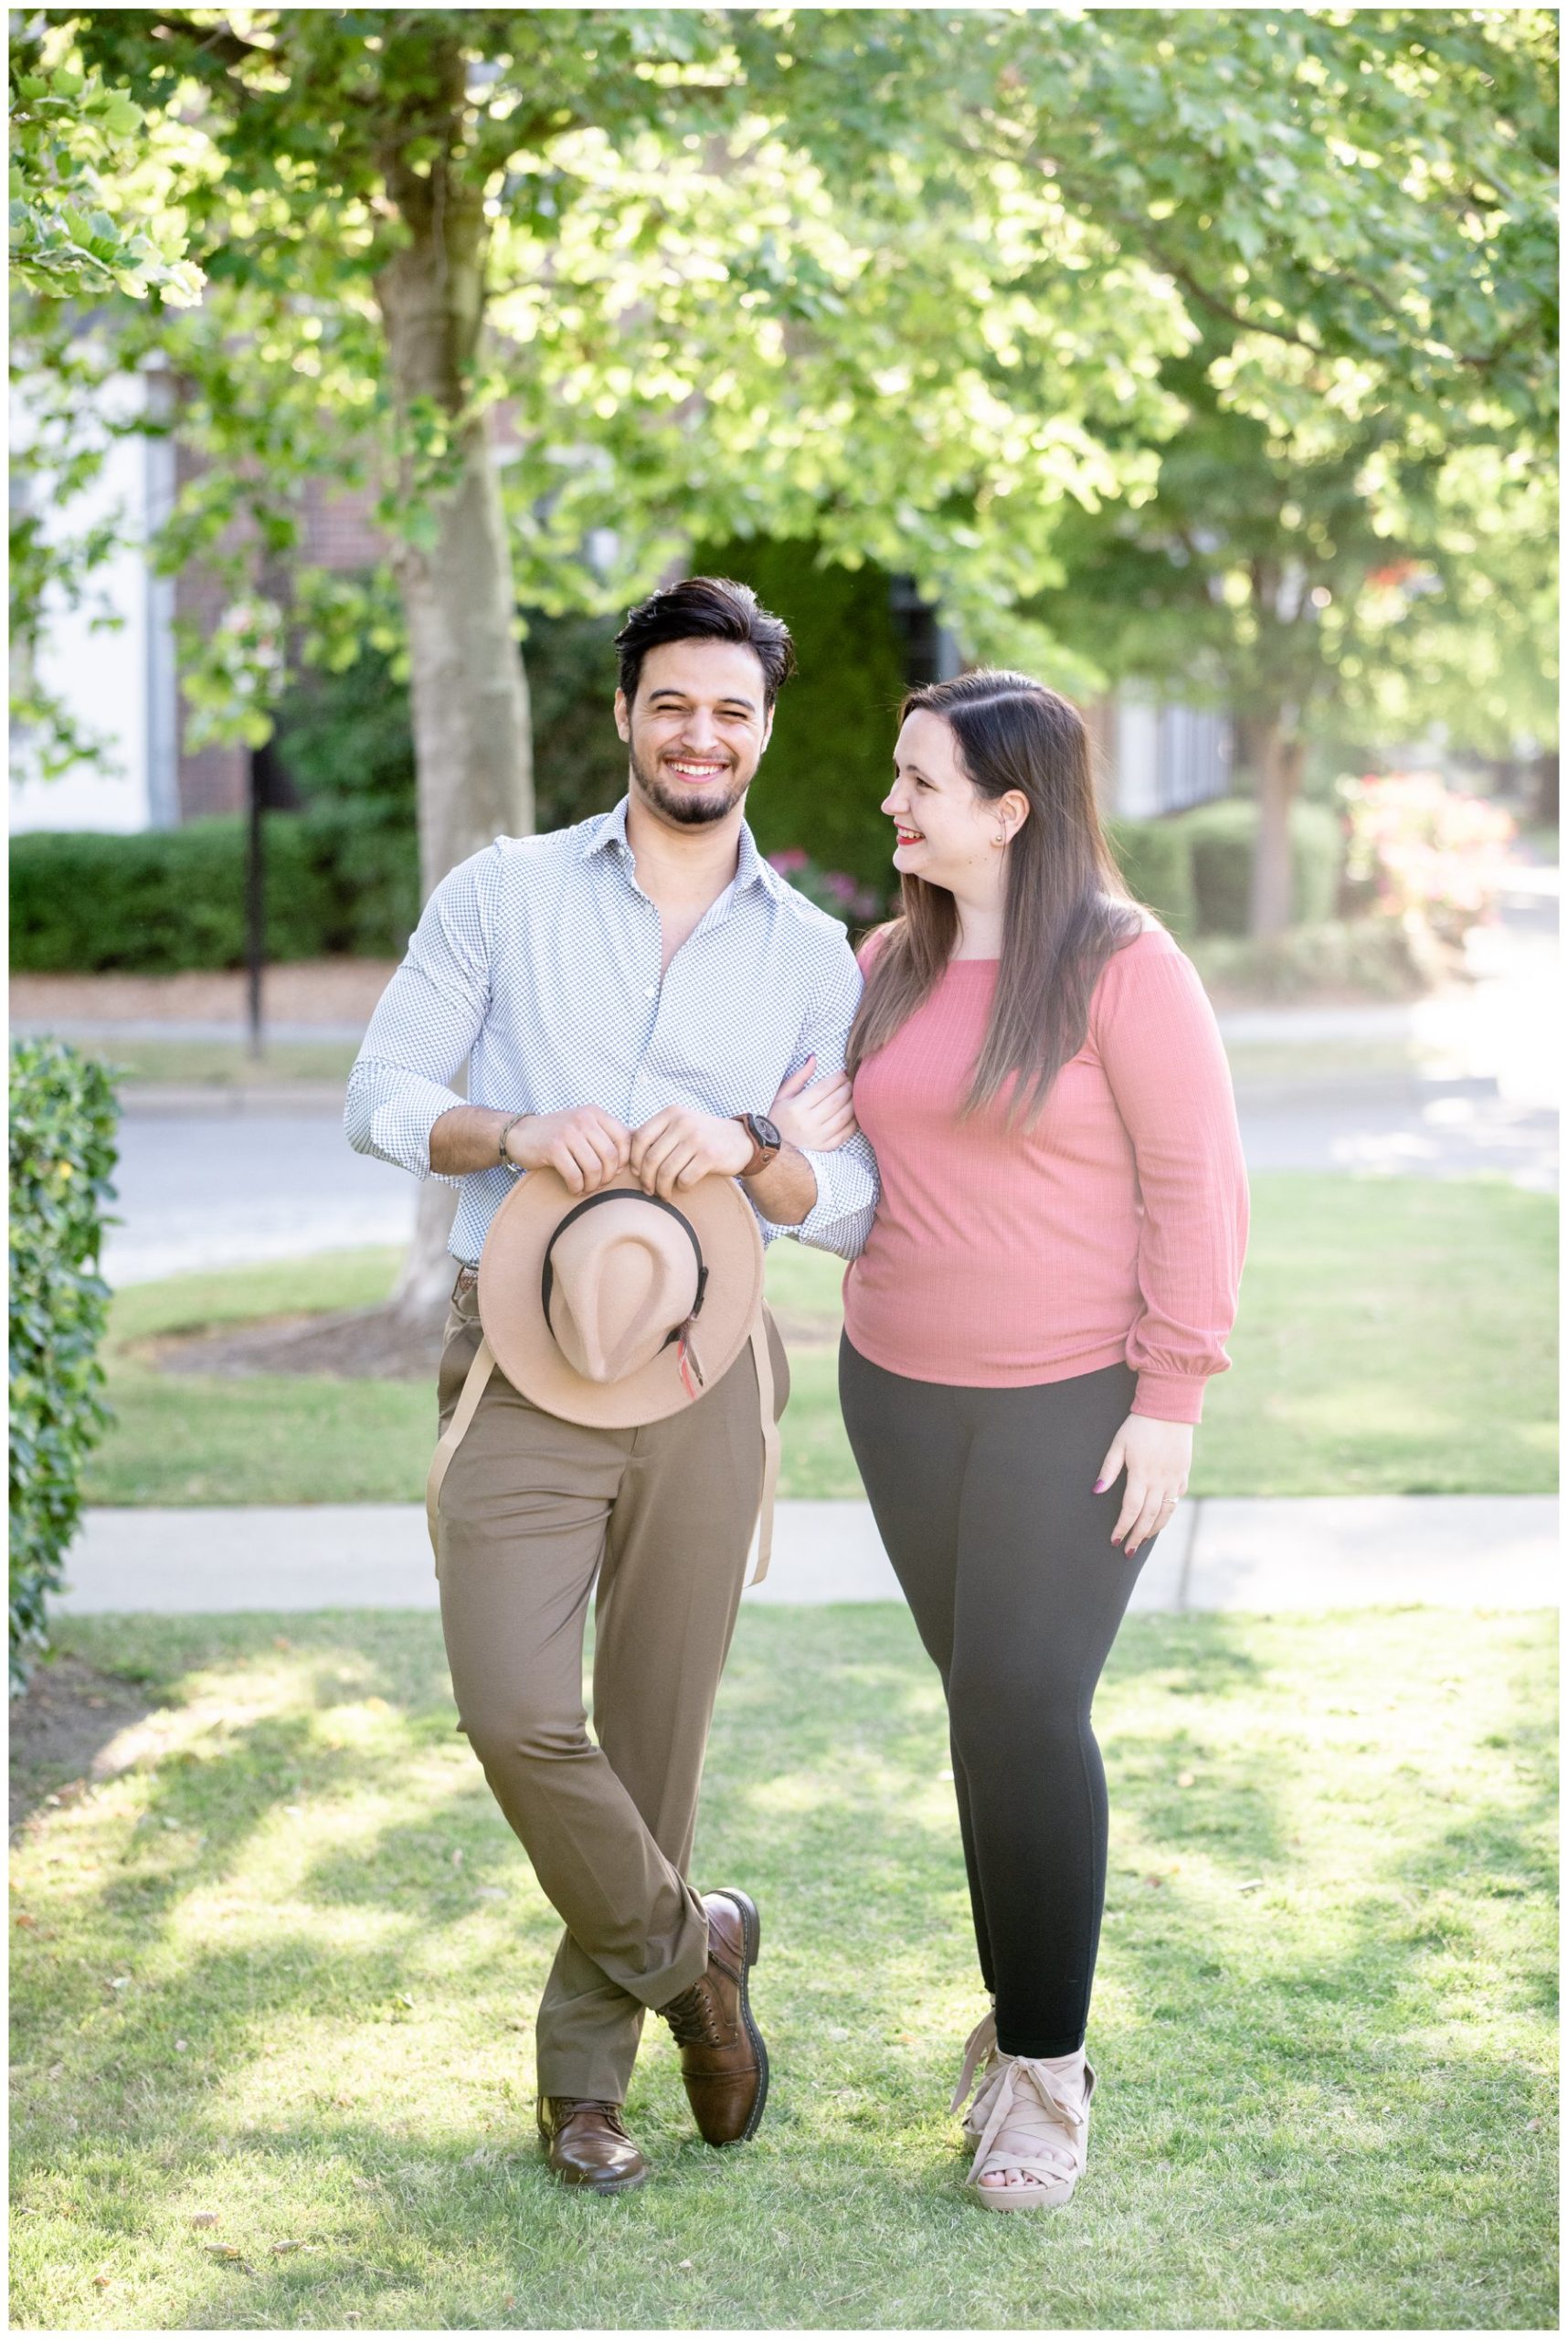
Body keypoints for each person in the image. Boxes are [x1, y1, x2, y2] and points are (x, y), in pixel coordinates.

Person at [345, 577, 875, 2194]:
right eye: (673, 703)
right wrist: (510, 1131)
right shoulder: (503, 895)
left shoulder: (812, 958)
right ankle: (692, 1947)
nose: (699, 733)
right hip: (517, 1356)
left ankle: (590, 2086)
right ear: (627, 715)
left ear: (763, 733)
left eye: (731, 710)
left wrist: (755, 1146)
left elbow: (847, 1206)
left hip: (706, 1374)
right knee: (512, 1708)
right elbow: (382, 1089)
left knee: (654, 1732)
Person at [832, 669, 1248, 2208]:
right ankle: (1016, 2025)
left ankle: (1049, 2076)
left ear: (1010, 812)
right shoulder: (888, 960)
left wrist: (1172, 1397)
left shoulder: (1124, 968)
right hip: (894, 1391)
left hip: (1073, 1401)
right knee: (982, 1715)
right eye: (897, 775)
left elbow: (1198, 1187)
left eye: (921, 783)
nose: (893, 802)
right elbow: (838, 1156)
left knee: (1022, 1699)